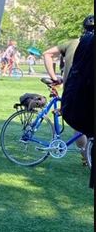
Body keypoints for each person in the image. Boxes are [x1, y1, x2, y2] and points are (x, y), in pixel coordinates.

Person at [43, 15, 94, 160]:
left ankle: (86, 157)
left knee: (78, 125)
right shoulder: (87, 44)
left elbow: (47, 53)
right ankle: (87, 158)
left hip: (72, 90)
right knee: (81, 125)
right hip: (82, 91)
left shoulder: (73, 42)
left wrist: (54, 77)